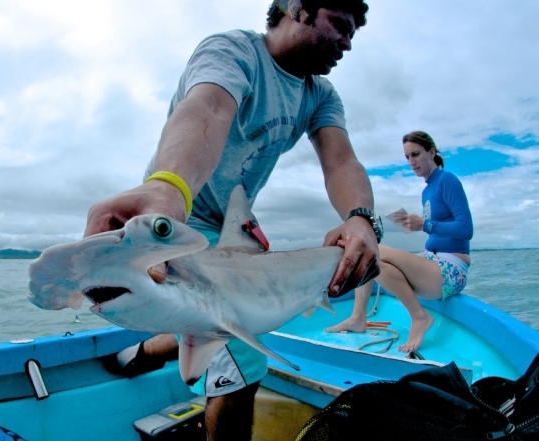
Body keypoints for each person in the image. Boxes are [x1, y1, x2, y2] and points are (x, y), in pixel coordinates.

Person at [84, 1, 379, 439]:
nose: (348, 42)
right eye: (339, 24)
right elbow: (209, 109)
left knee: (248, 315)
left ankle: (146, 350)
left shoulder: (319, 94)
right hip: (181, 216)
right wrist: (169, 186)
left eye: (354, 32)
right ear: (296, 9)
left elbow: (340, 161)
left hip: (235, 224)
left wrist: (360, 219)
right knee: (244, 351)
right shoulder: (233, 51)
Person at [326, 130, 473, 353]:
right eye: (407, 157)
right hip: (432, 261)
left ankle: (419, 317)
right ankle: (358, 317)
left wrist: (424, 225)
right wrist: (414, 226)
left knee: (369, 247)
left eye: (415, 154)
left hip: (451, 271)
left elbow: (466, 229)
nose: (411, 162)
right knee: (372, 261)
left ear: (431, 152)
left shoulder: (447, 181)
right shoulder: (427, 191)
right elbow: (440, 231)